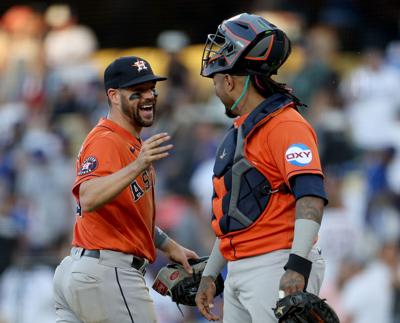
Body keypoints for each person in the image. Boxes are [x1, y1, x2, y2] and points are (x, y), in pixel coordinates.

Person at [195, 13, 327, 322]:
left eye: (215, 80)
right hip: (240, 268)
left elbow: (311, 197)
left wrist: (296, 267)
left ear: (229, 80)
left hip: (277, 264)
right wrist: (211, 274)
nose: (215, 89)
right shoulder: (240, 130)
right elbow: (234, 217)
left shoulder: (286, 124)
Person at [53, 56, 199, 323]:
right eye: (137, 91)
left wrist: (170, 246)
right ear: (114, 96)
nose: (148, 96)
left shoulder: (126, 142)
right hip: (109, 273)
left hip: (86, 272)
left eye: (151, 89)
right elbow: (88, 197)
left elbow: (126, 213)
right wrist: (139, 164)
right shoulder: (108, 140)